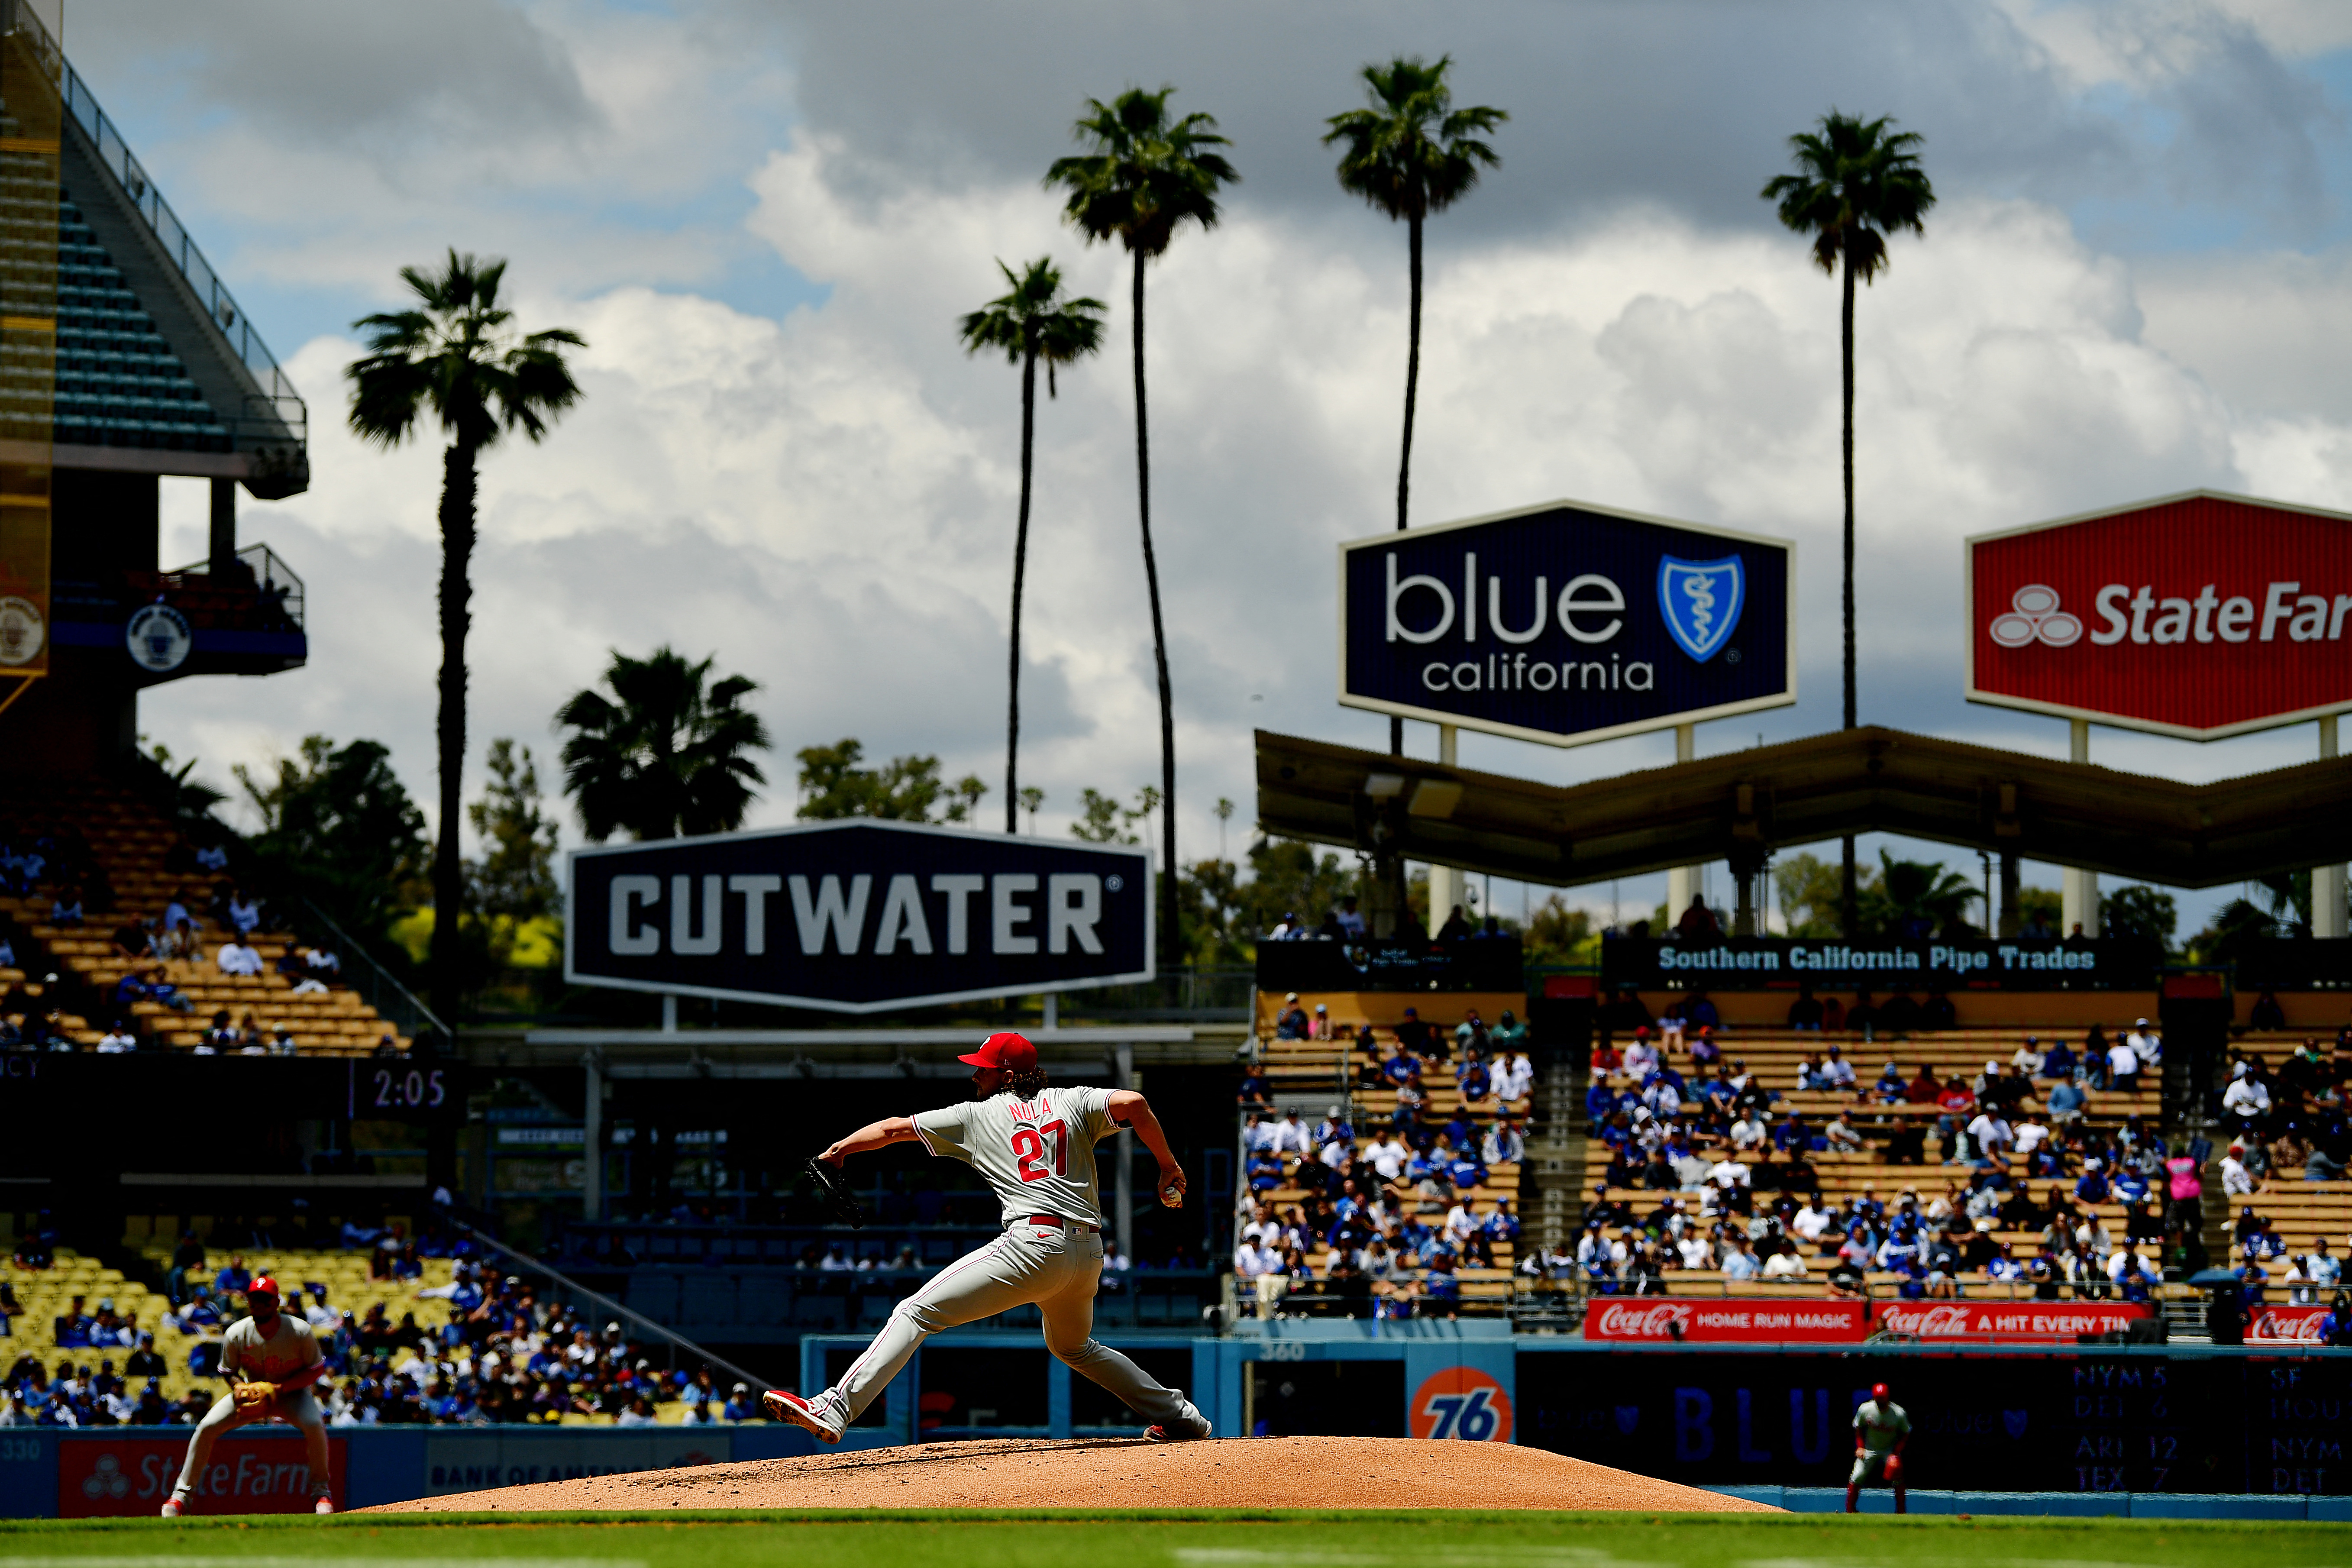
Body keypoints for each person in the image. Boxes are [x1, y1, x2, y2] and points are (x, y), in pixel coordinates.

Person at [761, 1032, 1208, 1443]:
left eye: (983, 1068)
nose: (974, 1074)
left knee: (916, 1312)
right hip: (1087, 1253)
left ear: (1007, 1076)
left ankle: (835, 1407)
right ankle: (1179, 1415)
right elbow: (1134, 1102)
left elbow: (895, 1129)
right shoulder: (1073, 1101)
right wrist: (1167, 1166)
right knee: (1073, 1346)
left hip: (1033, 1246)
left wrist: (838, 1151)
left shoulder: (976, 1115)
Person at [158, 1275, 333, 1516]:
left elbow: (316, 1369)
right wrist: (239, 1386)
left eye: (265, 1299)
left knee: (315, 1424)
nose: (259, 1304)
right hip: (251, 1393)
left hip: (292, 1393)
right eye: (254, 1299)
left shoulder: (298, 1330)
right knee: (207, 1427)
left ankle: (321, 1494)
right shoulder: (237, 1332)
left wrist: (280, 1389)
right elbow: (228, 1370)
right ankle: (180, 1497)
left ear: (277, 1302)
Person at [1847, 1380, 1911, 1514]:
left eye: (1882, 1399)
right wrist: (1860, 1447)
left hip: (1889, 1450)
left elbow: (1906, 1433)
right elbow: (1858, 1427)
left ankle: (1901, 1512)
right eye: (1878, 1399)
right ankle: (1850, 1510)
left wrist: (1896, 1452)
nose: (1880, 1402)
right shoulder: (1866, 1409)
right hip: (1870, 1449)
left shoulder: (1898, 1413)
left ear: (1888, 1397)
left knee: (1898, 1479)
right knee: (1857, 1476)